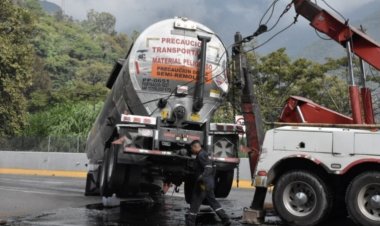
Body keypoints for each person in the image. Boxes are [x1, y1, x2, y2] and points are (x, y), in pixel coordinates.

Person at [185, 140, 231, 226]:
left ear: (196, 147)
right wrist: (210, 179)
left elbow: (208, 167)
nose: (191, 150)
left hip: (202, 184)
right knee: (212, 201)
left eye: (192, 148)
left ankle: (190, 223)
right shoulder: (206, 155)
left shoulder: (201, 155)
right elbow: (213, 167)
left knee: (195, 201)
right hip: (208, 183)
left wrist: (201, 177)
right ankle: (225, 218)